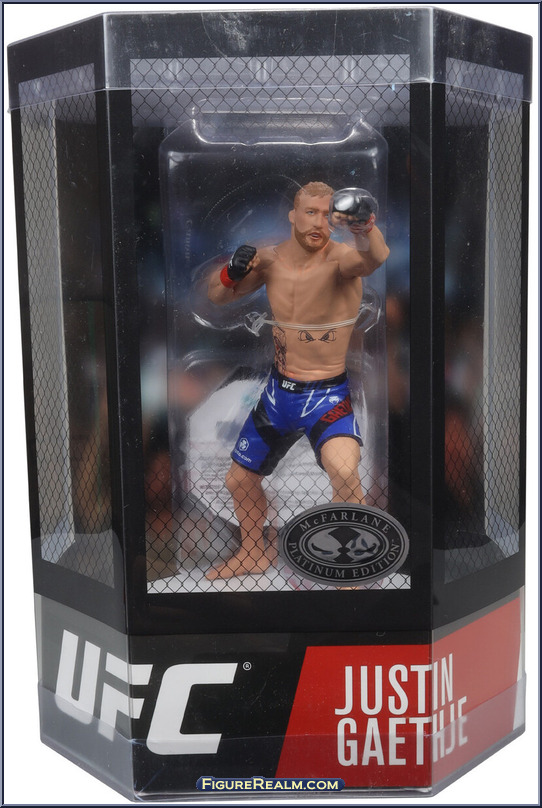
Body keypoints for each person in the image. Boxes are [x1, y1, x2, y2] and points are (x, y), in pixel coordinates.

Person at [206, 181, 390, 579]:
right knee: (239, 480)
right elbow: (218, 297)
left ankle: (355, 565)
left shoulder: (341, 260)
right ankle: (253, 554)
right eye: (311, 212)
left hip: (326, 396)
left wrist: (364, 229)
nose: (319, 222)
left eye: (326, 215)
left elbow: (373, 258)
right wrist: (231, 271)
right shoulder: (270, 261)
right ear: (293, 215)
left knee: (344, 470)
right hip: (278, 395)